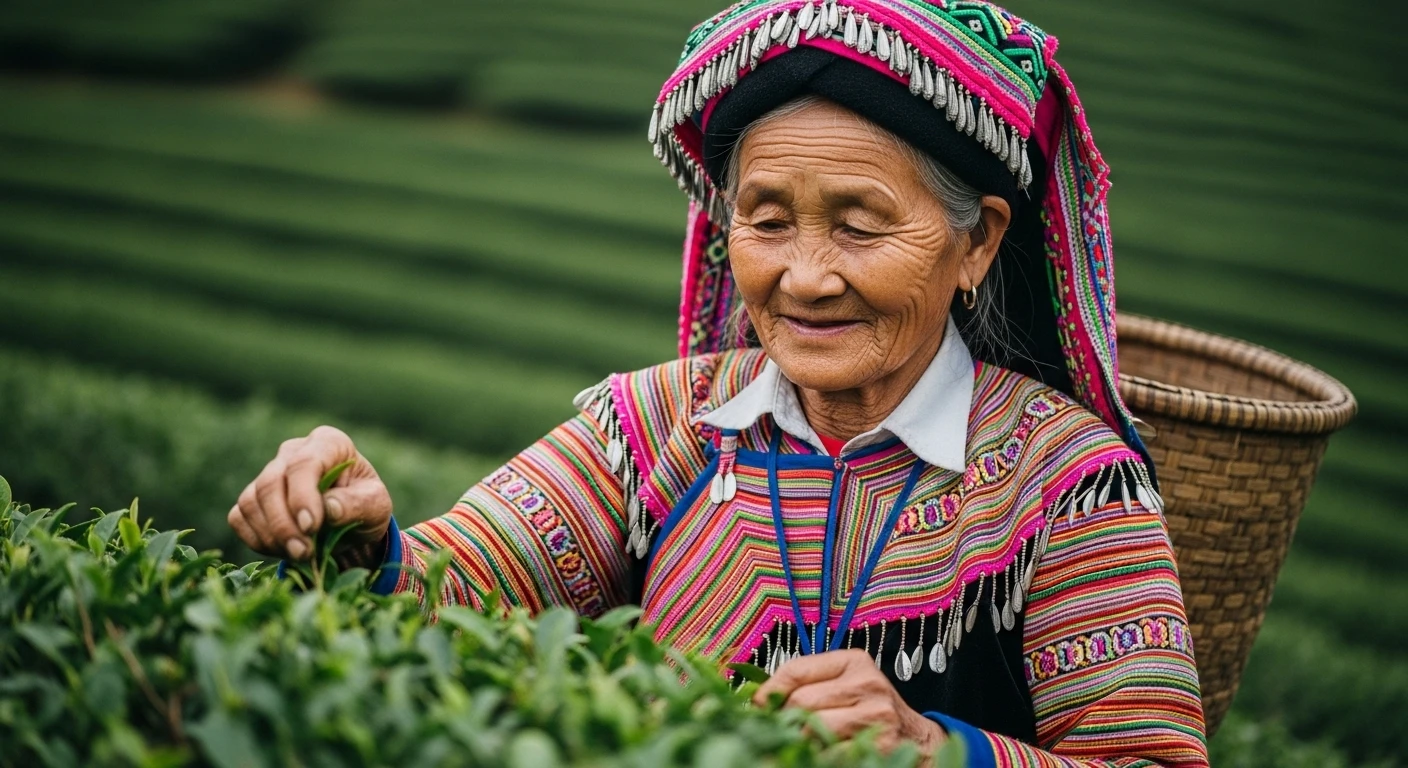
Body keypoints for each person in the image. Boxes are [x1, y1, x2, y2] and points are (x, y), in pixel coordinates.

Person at [228, 1, 1209, 764]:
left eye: (860, 225)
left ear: (977, 241)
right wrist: (359, 525)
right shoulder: (656, 424)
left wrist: (936, 751)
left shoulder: (1066, 483)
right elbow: (458, 584)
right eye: (768, 219)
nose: (807, 275)